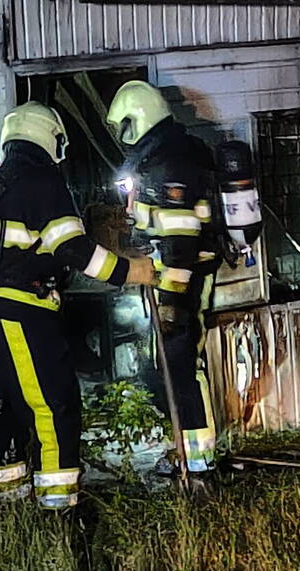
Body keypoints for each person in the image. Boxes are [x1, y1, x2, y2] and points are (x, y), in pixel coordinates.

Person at [0, 101, 154, 510]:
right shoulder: (41, 182)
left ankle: (6, 507)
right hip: (20, 314)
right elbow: (75, 250)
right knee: (52, 406)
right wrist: (130, 272)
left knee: (1, 404)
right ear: (50, 137)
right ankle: (60, 512)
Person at [106, 80, 221, 475]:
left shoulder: (172, 161)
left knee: (180, 364)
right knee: (170, 366)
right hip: (172, 277)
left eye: (123, 125)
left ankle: (198, 459)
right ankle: (187, 451)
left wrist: (172, 300)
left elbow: (182, 236)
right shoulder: (162, 155)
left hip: (184, 279)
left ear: (137, 118)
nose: (122, 136)